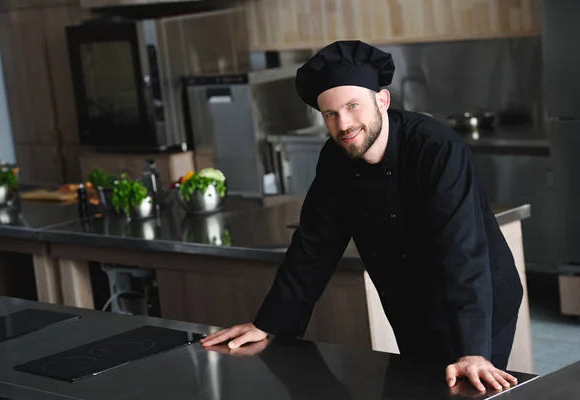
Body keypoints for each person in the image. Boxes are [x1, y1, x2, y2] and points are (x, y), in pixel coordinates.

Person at [201, 40, 524, 393]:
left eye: (353, 106)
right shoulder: (335, 160)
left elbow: (462, 251)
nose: (344, 123)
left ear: (382, 101)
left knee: (466, 389)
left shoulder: (437, 149)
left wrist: (473, 351)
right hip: (409, 302)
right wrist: (269, 324)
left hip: (477, 301)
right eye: (331, 114)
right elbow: (313, 247)